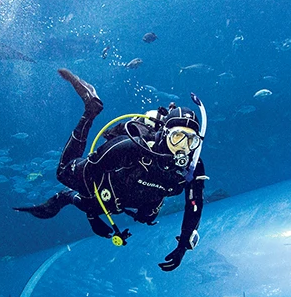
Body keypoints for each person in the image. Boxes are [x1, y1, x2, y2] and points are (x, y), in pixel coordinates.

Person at [15, 69, 207, 272]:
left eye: (190, 140)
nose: (182, 147)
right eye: (177, 137)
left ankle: (93, 204)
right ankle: (90, 110)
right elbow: (90, 175)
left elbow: (194, 204)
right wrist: (92, 213)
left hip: (142, 196)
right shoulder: (132, 146)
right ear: (165, 133)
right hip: (109, 186)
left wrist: (183, 246)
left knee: (147, 217)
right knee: (64, 174)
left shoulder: (192, 165)